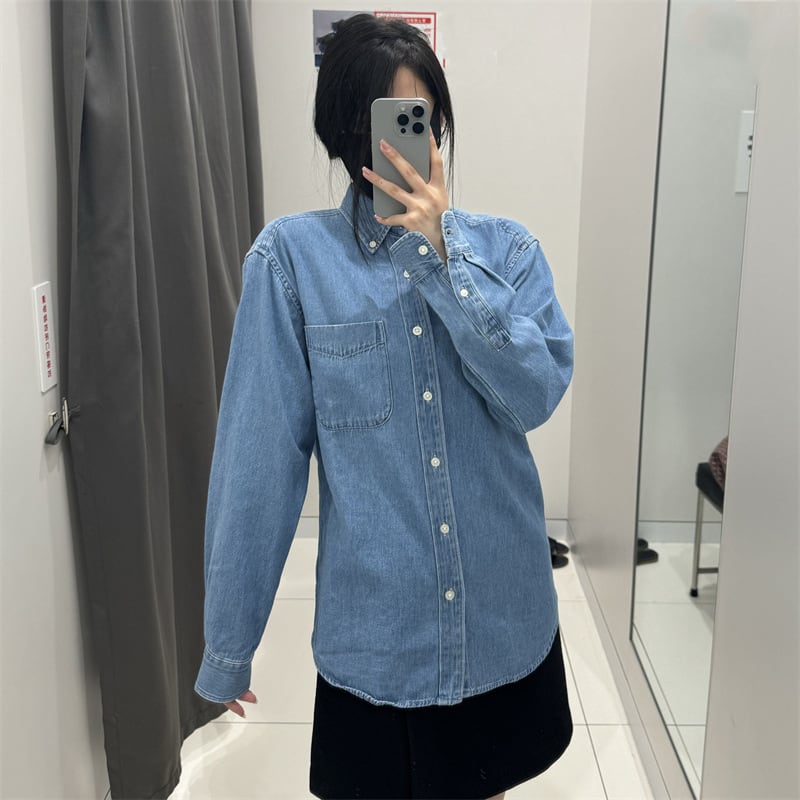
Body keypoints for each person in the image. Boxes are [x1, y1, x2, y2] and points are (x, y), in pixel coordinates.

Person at [195, 13, 574, 800]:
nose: (416, 144)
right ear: (350, 134)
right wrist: (230, 640)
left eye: (426, 122)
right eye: (396, 123)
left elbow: (534, 395)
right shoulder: (292, 263)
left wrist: (442, 263)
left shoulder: (505, 252)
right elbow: (258, 464)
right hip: (377, 643)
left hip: (502, 624)